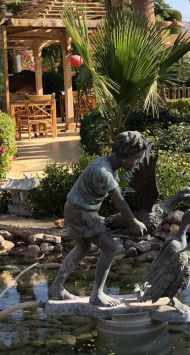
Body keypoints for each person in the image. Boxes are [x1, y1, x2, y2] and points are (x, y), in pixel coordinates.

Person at [48, 131, 148, 307]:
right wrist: (133, 222)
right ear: (125, 156)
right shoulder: (103, 171)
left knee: (83, 247)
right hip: (81, 212)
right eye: (136, 158)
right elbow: (120, 202)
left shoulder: (108, 165)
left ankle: (56, 287)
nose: (138, 162)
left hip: (75, 208)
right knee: (109, 248)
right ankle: (97, 294)